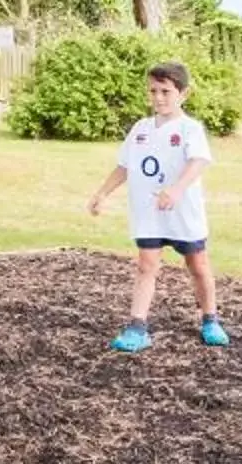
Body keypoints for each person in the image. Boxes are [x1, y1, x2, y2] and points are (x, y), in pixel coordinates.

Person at [87, 61, 226, 351]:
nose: (159, 97)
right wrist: (102, 193)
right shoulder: (140, 129)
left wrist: (176, 189)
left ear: (183, 94)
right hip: (148, 212)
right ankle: (137, 327)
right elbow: (125, 166)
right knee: (146, 265)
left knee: (197, 265)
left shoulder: (190, 129)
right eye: (153, 91)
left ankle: (210, 319)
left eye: (166, 91)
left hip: (182, 213)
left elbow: (198, 161)